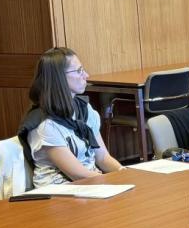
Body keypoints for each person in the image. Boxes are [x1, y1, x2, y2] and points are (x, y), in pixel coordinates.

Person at [17, 47, 123, 187]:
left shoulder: (84, 110)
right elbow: (77, 175)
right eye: (79, 71)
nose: (86, 75)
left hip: (90, 183)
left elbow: (102, 158)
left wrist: (124, 172)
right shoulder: (45, 125)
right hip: (59, 191)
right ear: (59, 77)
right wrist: (113, 182)